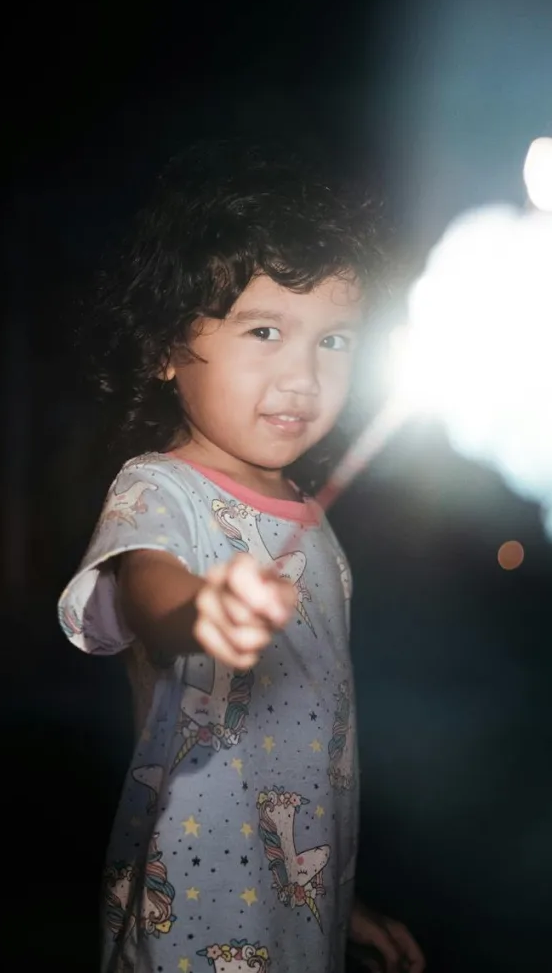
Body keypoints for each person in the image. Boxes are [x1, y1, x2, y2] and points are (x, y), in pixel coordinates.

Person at [59, 140, 425, 973]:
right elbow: (150, 590)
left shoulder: (314, 524)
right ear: (163, 346)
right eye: (265, 330)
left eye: (334, 341)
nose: (302, 376)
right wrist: (200, 609)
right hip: (187, 923)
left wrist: (333, 899)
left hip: (293, 924)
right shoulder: (160, 490)